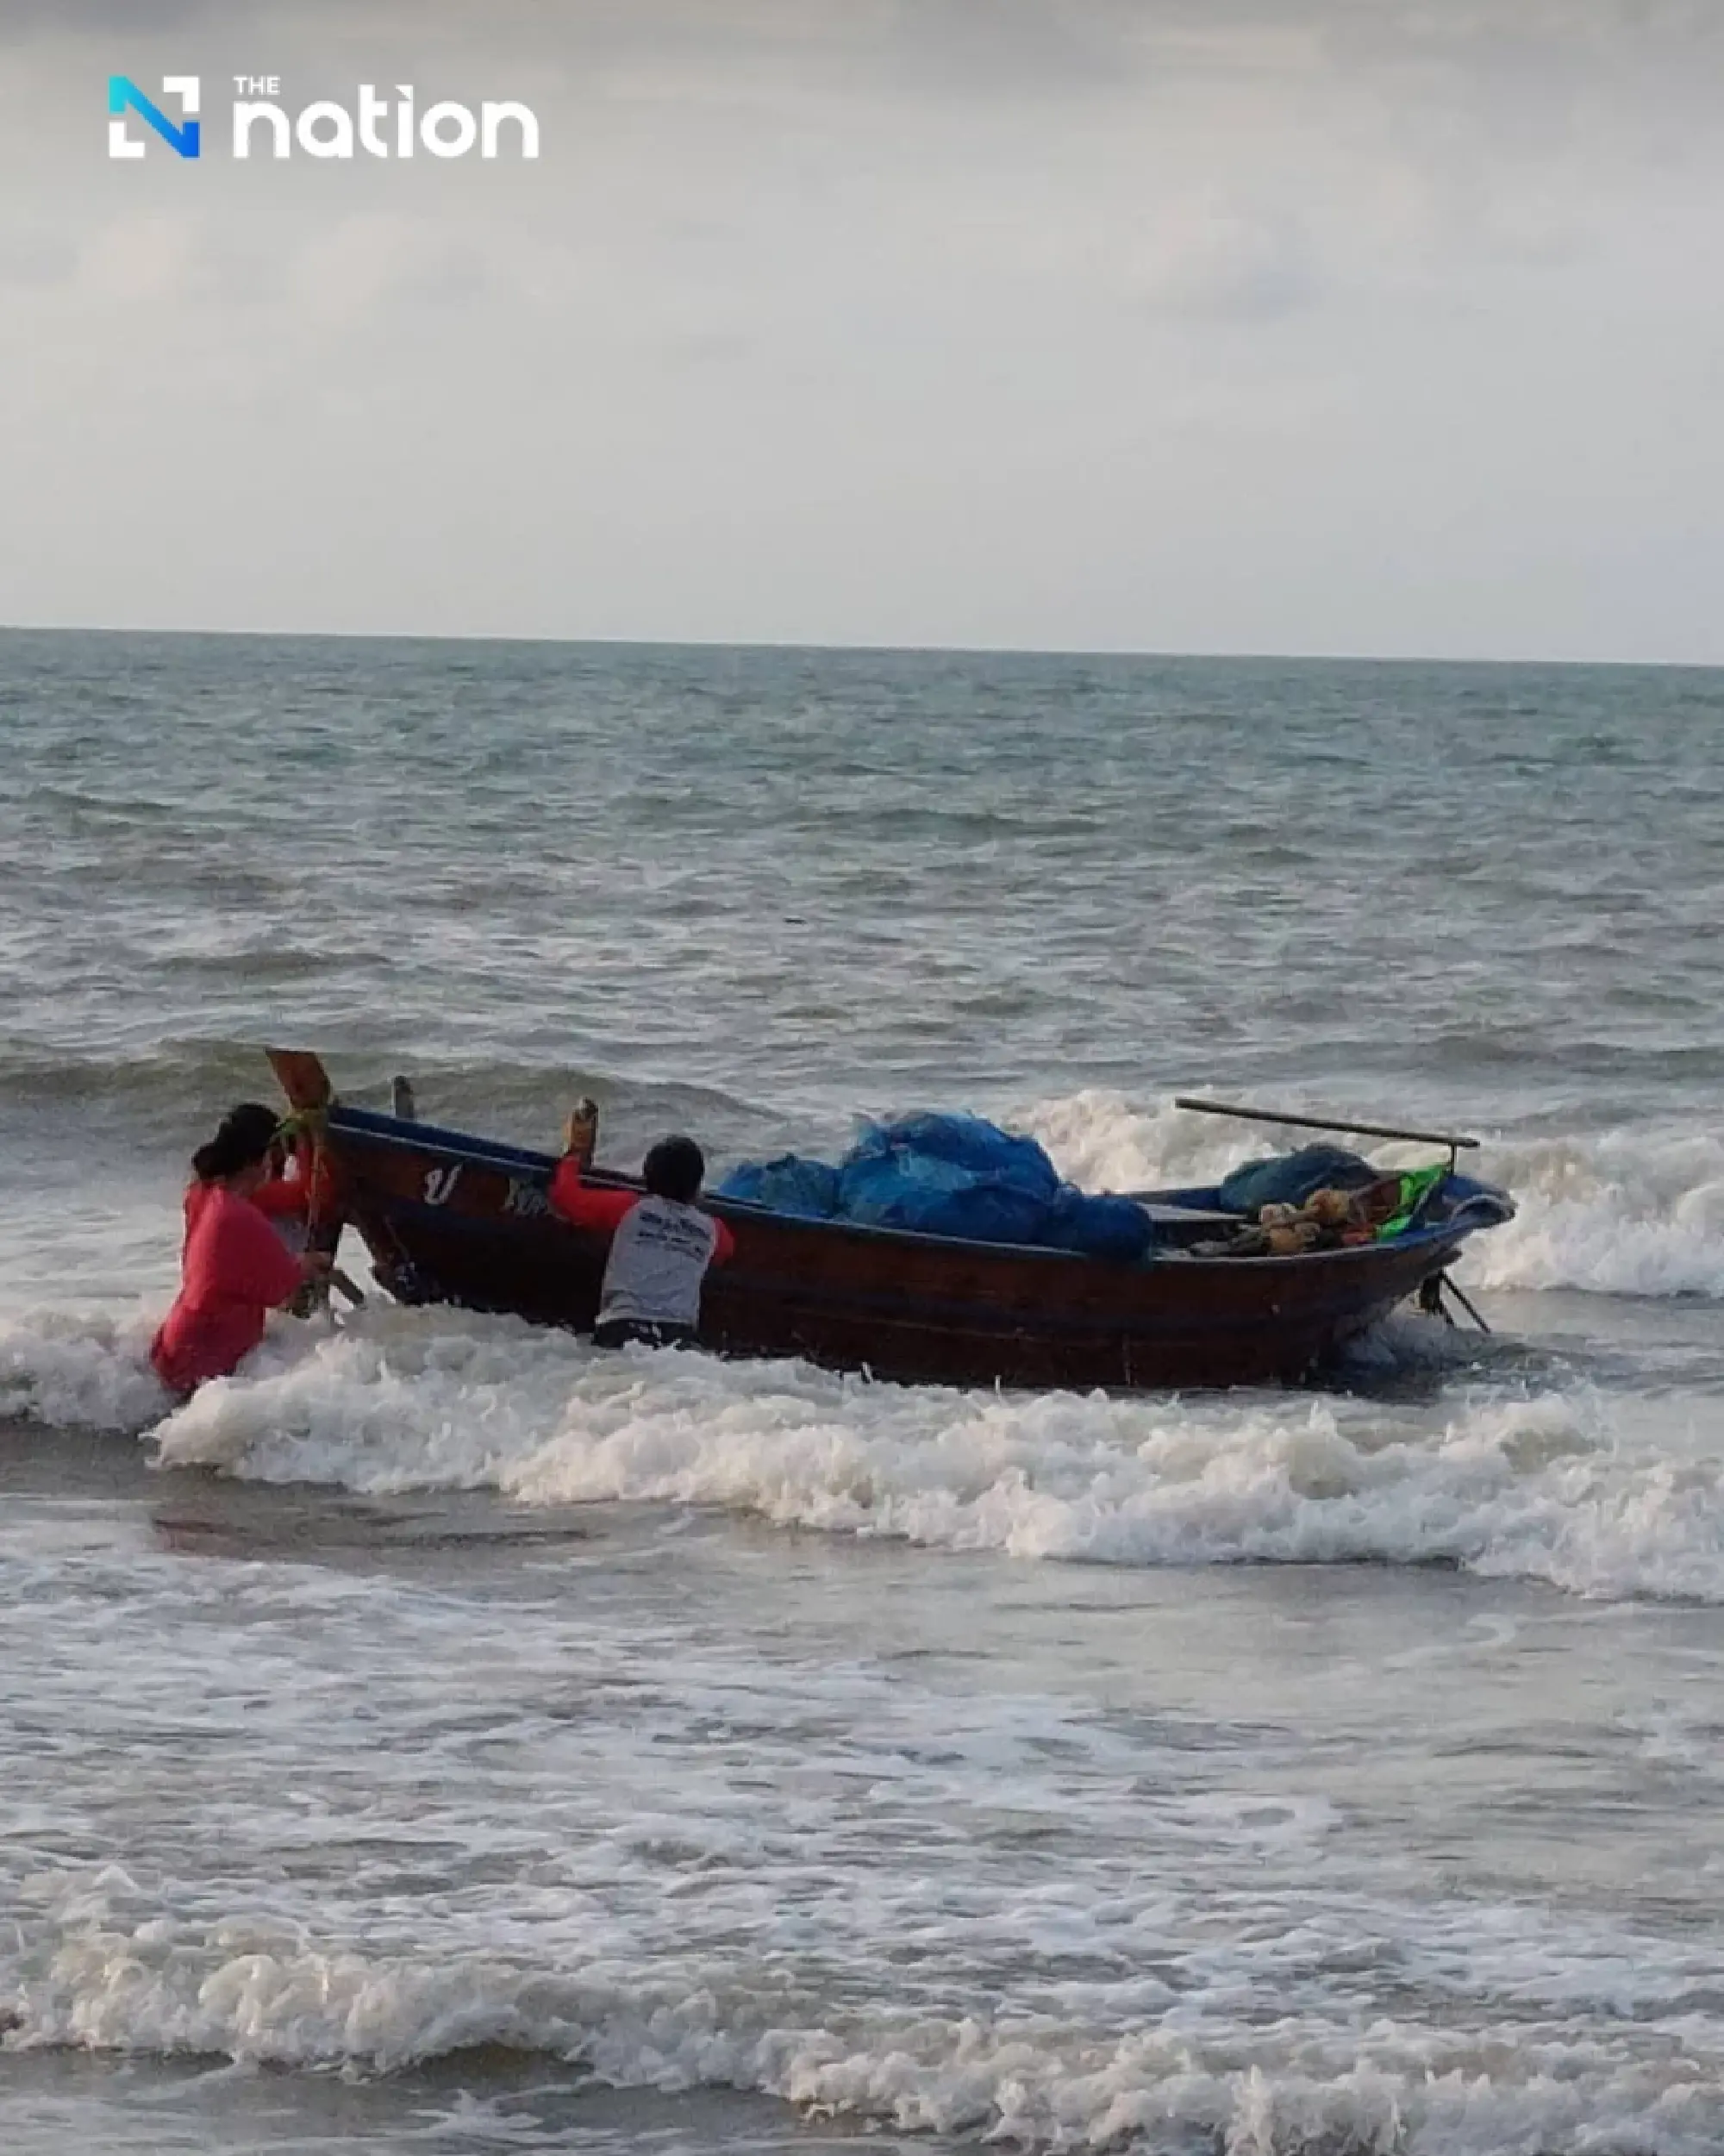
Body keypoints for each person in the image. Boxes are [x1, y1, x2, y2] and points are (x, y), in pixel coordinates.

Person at [150, 1103, 332, 1396]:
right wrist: (305, 1145)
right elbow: (288, 1293)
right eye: (274, 1155)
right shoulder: (239, 1217)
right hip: (205, 1358)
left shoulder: (203, 1193)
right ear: (255, 1161)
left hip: (177, 1346)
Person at [549, 1128, 735, 1349]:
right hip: (680, 1341)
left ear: (648, 1177)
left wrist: (572, 1158)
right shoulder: (715, 1231)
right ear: (696, 1185)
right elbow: (725, 1252)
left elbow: (566, 1198)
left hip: (621, 1329)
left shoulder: (628, 1208)